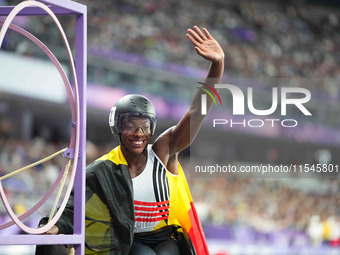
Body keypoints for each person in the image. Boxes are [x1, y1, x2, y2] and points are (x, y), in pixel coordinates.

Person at [36, 26, 224, 255]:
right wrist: (56, 227)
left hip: (165, 237)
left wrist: (217, 66)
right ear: (116, 127)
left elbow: (197, 113)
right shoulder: (103, 170)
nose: (138, 133)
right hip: (131, 241)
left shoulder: (164, 151)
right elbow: (73, 207)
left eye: (145, 127)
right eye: (129, 126)